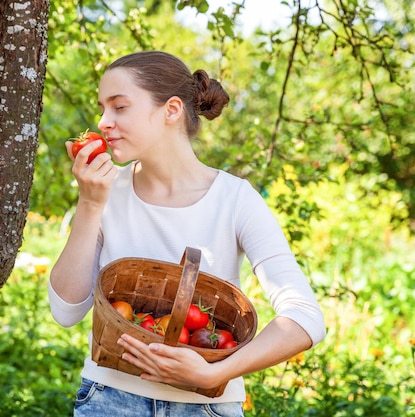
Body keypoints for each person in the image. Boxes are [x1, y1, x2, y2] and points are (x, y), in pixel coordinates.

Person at [48, 50, 326, 417]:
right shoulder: (105, 192)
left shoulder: (235, 199)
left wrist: (216, 371)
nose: (103, 122)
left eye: (119, 107)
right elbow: (66, 311)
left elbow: (306, 318)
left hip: (206, 408)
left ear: (172, 110)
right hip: (109, 399)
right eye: (102, 108)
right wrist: (89, 203)